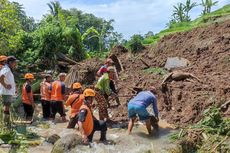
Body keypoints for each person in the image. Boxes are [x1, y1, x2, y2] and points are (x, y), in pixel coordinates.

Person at [0, 56, 17, 124]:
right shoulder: (6, 69)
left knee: (7, 107)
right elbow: (1, 78)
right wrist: (5, 85)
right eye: (14, 62)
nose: (15, 64)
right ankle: (6, 123)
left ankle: (7, 122)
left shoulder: (7, 69)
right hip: (6, 92)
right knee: (6, 107)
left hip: (8, 92)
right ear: (10, 62)